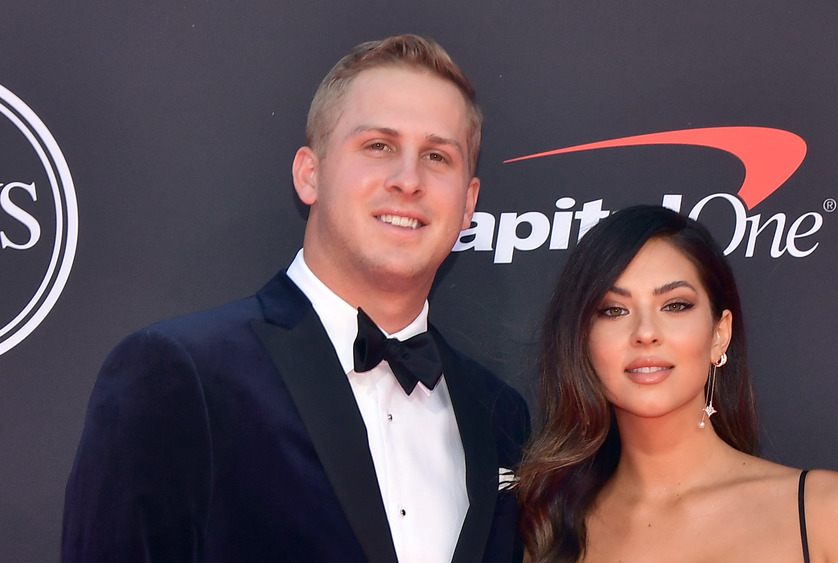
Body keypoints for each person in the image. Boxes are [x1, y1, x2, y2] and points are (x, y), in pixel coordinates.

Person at [62, 34, 529, 563]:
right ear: (310, 174)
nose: (408, 180)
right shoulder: (182, 375)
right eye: (378, 146)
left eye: (437, 156)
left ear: (468, 203)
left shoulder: (500, 415)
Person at [517, 205, 838, 562]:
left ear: (719, 334)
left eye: (675, 305)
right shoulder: (547, 535)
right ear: (581, 341)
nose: (646, 333)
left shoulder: (829, 514)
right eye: (614, 310)